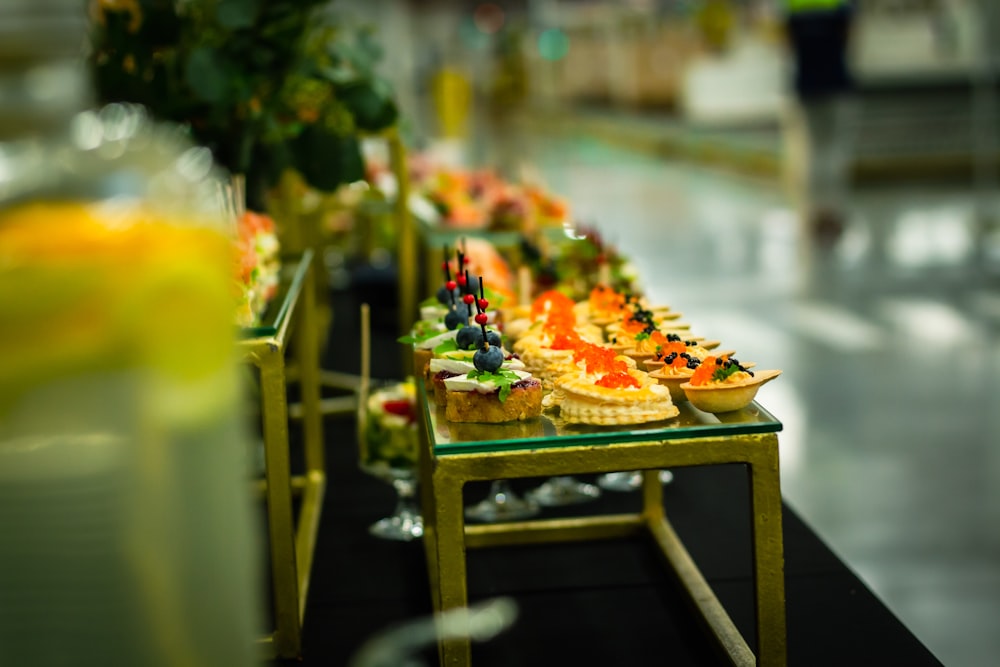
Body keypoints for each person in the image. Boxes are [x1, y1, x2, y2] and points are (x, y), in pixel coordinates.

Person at [781, 0, 856, 244]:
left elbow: (788, 43)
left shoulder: (794, 5)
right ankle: (833, 211)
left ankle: (815, 212)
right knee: (834, 148)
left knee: (814, 151)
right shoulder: (839, 4)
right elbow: (849, 36)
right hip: (836, 82)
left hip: (807, 84)